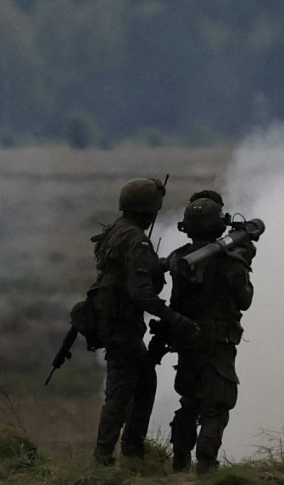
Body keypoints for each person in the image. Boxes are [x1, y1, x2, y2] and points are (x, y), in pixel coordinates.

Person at [91, 177, 198, 466]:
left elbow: (124, 269)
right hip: (123, 324)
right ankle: (108, 457)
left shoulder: (115, 230)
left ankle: (131, 452)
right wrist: (175, 319)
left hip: (111, 321)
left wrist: (161, 263)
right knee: (120, 391)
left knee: (141, 383)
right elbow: (141, 294)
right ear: (148, 209)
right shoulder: (136, 239)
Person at [167, 190, 255, 474]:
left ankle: (179, 462)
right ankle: (206, 465)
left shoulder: (179, 259)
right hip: (219, 342)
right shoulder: (230, 262)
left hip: (188, 339)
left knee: (189, 402)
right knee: (216, 405)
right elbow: (244, 300)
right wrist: (245, 262)